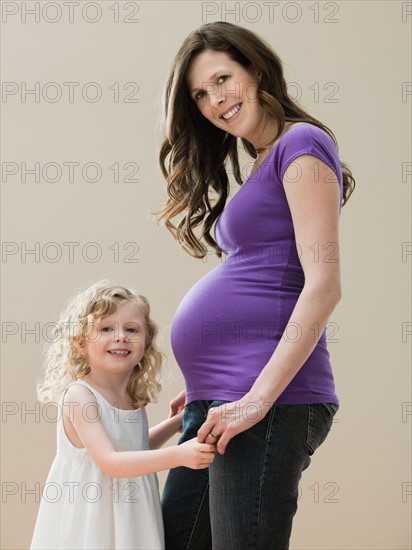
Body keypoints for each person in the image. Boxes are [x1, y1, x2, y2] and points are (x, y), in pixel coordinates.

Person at [154, 21, 356, 550]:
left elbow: (324, 284)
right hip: (220, 395)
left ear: (257, 69)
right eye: (200, 93)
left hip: (267, 400)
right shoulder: (262, 162)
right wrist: (207, 365)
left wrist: (256, 398)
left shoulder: (302, 144)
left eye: (223, 79)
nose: (214, 100)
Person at [30, 280, 216, 550]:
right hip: (93, 514)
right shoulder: (80, 396)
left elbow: (135, 448)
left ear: (146, 342)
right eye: (106, 328)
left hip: (129, 510)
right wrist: (179, 456)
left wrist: (177, 422)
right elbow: (111, 461)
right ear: (81, 343)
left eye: (131, 329)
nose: (120, 336)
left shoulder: (131, 397)